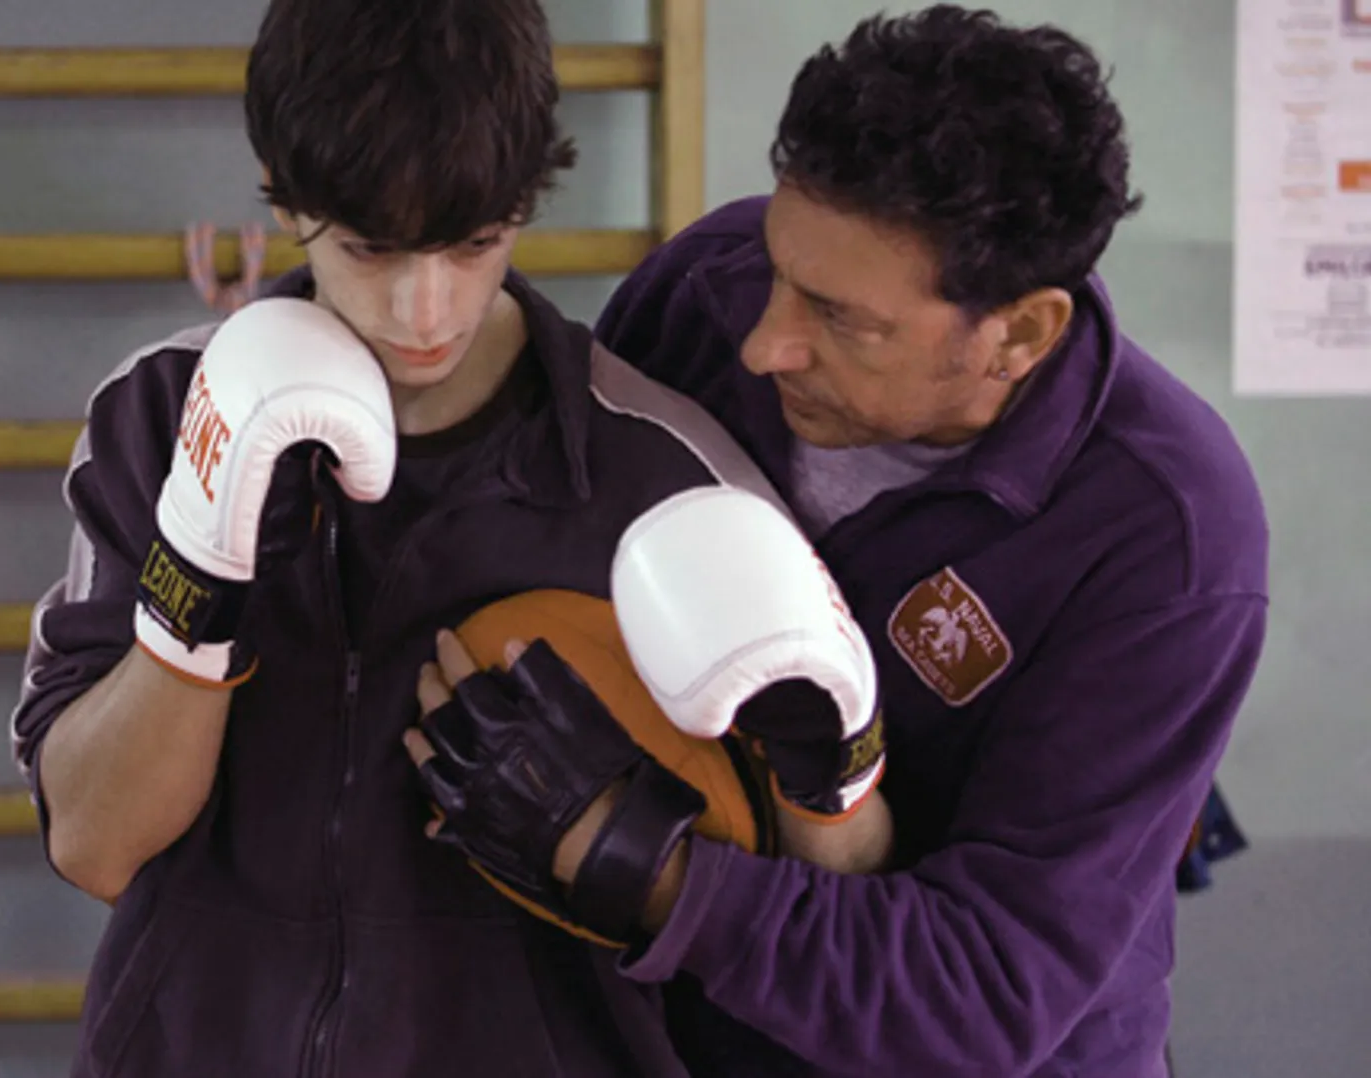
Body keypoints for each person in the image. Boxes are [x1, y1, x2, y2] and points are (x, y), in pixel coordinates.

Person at [9, 1, 891, 1074]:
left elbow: (839, 919)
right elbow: (96, 847)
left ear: (526, 198)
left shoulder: (661, 477)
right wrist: (198, 583)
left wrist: (830, 761)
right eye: (372, 248)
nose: (425, 310)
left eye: (474, 244)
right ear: (284, 189)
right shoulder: (159, 415)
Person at [405, 6, 1269, 1077]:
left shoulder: (1167, 534)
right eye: (778, 269)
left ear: (1019, 333)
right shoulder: (705, 290)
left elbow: (982, 998)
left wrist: (635, 856)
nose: (766, 343)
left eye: (839, 317)